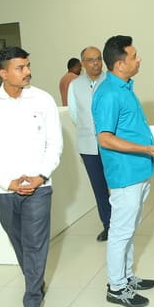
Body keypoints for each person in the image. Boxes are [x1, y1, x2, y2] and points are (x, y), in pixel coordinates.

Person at [0, 46, 63, 307]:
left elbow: (54, 143)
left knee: (36, 243)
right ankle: (35, 279)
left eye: (27, 66)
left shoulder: (43, 100)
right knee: (20, 242)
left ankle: (32, 301)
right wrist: (7, 181)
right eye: (20, 68)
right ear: (3, 73)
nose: (27, 72)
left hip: (39, 186)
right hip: (4, 190)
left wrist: (40, 176)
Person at [93, 35, 154, 307]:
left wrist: (152, 145)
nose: (139, 59)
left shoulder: (124, 87)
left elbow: (129, 129)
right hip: (125, 174)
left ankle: (126, 277)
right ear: (120, 64)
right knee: (121, 231)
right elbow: (105, 138)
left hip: (138, 169)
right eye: (134, 56)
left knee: (129, 228)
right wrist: (145, 149)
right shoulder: (109, 94)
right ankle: (116, 287)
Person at [68, 46, 111, 242]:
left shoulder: (111, 81)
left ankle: (122, 224)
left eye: (98, 59)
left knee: (117, 186)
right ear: (83, 63)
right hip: (88, 146)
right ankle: (107, 224)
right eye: (91, 60)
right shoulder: (75, 85)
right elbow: (74, 114)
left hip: (112, 143)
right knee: (99, 187)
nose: (96, 63)